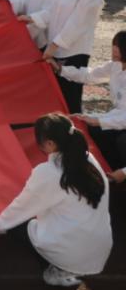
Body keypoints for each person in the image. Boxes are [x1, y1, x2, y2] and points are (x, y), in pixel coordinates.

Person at [0, 114, 111, 287]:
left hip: (71, 253)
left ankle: (58, 270)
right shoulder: (89, 159)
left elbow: (20, 208)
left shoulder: (48, 172)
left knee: (17, 226)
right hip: (100, 247)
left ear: (50, 143)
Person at [26, 0, 104, 114]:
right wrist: (32, 18)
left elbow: (77, 24)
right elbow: (51, 8)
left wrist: (54, 46)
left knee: (70, 99)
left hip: (73, 52)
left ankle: (75, 128)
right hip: (54, 47)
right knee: (53, 97)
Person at [51, 31, 126, 181]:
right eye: (114, 45)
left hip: (121, 121)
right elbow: (90, 75)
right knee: (92, 130)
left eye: (119, 47)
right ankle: (110, 171)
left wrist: (98, 120)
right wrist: (61, 69)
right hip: (117, 117)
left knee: (121, 141)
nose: (114, 50)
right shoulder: (115, 66)